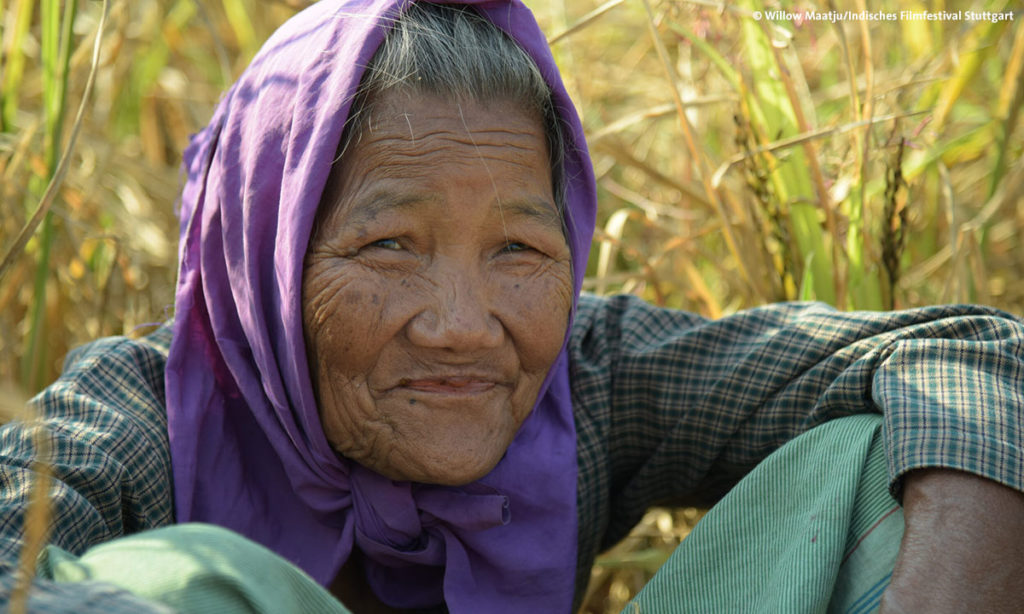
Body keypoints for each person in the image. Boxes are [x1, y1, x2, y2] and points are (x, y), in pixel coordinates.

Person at [2, 1, 1023, 612]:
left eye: (519, 249)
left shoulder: (582, 378)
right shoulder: (140, 417)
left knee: (874, 466)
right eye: (389, 244)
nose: (462, 322)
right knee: (188, 576)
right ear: (262, 253)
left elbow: (975, 354)